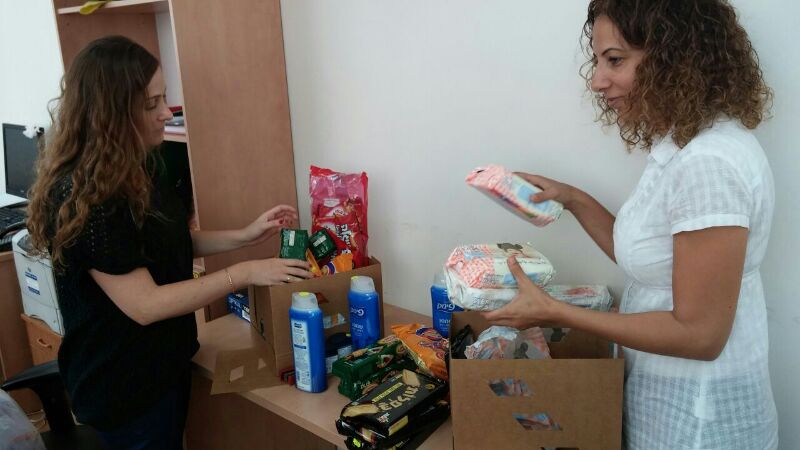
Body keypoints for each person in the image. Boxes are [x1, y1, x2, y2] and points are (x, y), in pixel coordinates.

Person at [483, 1, 778, 448]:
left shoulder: (709, 164)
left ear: (673, 59)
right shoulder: (685, 143)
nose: (597, 80)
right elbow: (649, 258)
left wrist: (556, 312)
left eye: (615, 60)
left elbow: (700, 335)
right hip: (666, 401)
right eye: (598, 61)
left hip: (699, 422)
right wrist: (574, 199)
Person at [25, 36, 313, 449]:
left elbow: (165, 244)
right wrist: (244, 272)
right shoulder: (89, 199)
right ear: (111, 113)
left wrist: (246, 235)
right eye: (151, 104)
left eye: (164, 98)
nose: (167, 113)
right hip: (125, 388)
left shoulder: (133, 165)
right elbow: (146, 305)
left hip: (164, 365)